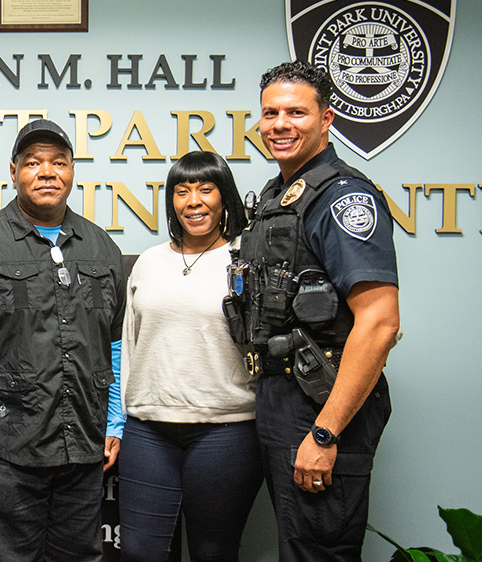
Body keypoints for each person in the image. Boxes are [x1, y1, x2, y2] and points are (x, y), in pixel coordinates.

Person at [0, 118, 125, 562]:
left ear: (73, 171)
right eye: (34, 163)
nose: (47, 172)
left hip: (85, 445)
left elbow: (113, 344)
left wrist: (114, 422)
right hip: (8, 448)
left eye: (59, 162)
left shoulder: (101, 248)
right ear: (14, 171)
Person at [228, 60, 399, 562]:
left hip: (319, 399)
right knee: (299, 545)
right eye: (270, 113)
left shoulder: (342, 198)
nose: (280, 124)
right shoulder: (280, 196)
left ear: (327, 119)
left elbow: (381, 321)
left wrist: (325, 432)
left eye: (296, 113)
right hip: (282, 395)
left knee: (317, 552)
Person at [117, 151, 262, 562]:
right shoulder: (149, 262)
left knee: (212, 552)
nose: (193, 201)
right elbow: (129, 343)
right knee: (139, 552)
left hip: (227, 429)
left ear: (225, 198)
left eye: (205, 189)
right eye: (182, 191)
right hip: (149, 429)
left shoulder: (247, 260)